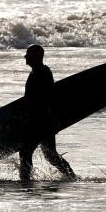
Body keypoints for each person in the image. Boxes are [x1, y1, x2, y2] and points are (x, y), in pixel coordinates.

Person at [20, 44, 76, 182]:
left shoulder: (41, 72)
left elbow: (47, 97)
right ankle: (72, 176)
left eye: (28, 54)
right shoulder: (40, 71)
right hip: (43, 119)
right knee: (50, 155)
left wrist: (47, 118)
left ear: (36, 56)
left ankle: (26, 182)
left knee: (26, 152)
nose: (25, 57)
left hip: (40, 120)